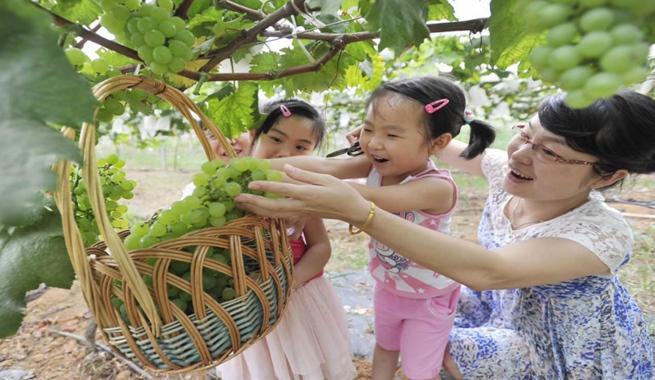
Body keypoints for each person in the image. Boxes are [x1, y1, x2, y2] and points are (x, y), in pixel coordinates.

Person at [234, 90, 655, 379]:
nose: (522, 154)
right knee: (423, 338)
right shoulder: (508, 167)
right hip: (496, 311)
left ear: (608, 177)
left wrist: (358, 208)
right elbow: (427, 144)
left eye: (549, 151)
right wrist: (387, 140)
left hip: (566, 350)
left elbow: (489, 271)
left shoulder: (603, 234)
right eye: (527, 134)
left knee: (438, 351)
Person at [265, 77, 495, 380]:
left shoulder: (435, 187)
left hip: (429, 298)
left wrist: (299, 190)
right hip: (388, 286)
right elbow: (326, 167)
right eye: (369, 128)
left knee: (418, 370)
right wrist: (257, 167)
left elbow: (366, 199)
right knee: (385, 348)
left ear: (438, 142)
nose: (373, 143)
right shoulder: (376, 165)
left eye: (392, 134)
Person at [217, 99, 356, 380]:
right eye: (276, 139)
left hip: (297, 301)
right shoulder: (230, 191)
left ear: (312, 154)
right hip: (250, 308)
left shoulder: (303, 190)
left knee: (305, 370)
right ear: (255, 137)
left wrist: (287, 284)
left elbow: (320, 247)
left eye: (301, 148)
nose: (286, 153)